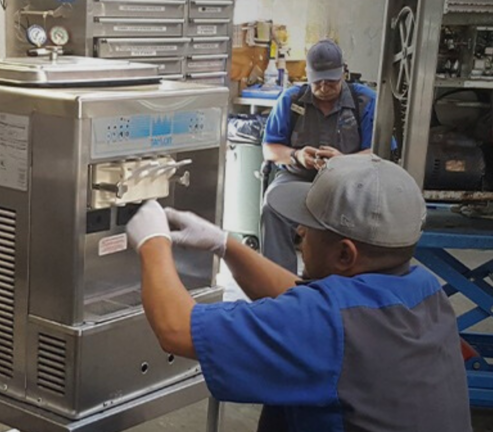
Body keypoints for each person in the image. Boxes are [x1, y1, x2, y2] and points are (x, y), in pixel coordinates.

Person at [126, 154, 471, 432]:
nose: (300, 232)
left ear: (344, 254)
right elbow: (311, 302)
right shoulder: (424, 289)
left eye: (309, 227)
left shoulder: (325, 324)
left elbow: (177, 329)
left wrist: (152, 242)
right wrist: (226, 245)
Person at [261, 39, 385, 273]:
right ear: (308, 75)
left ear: (343, 73)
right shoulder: (290, 100)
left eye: (331, 81)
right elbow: (270, 148)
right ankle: (278, 283)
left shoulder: (365, 101)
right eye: (318, 81)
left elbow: (380, 152)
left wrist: (344, 162)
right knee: (273, 207)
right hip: (299, 178)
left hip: (349, 181)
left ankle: (346, 282)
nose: (324, 87)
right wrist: (297, 155)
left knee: (361, 217)